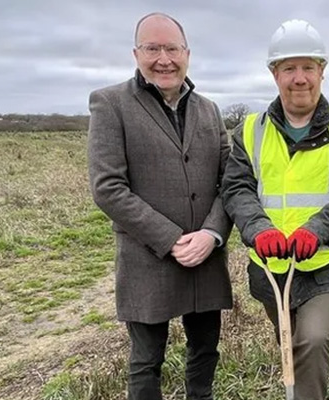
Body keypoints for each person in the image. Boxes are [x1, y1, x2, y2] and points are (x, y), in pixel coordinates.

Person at [222, 19, 329, 400]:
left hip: (326, 264)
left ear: (322, 71)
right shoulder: (250, 130)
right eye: (289, 68)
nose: (300, 78)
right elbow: (237, 188)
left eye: (308, 67)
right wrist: (258, 230)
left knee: (312, 338)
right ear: (275, 74)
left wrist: (318, 229)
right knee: (289, 342)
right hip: (269, 267)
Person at [86, 12, 232, 400]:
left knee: (204, 351)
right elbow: (108, 187)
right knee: (146, 360)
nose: (163, 58)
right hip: (147, 257)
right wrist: (171, 240)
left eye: (172, 48)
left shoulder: (210, 110)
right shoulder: (110, 103)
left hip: (206, 257)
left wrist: (212, 235)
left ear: (187, 53)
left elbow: (230, 180)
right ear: (136, 53)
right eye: (152, 48)